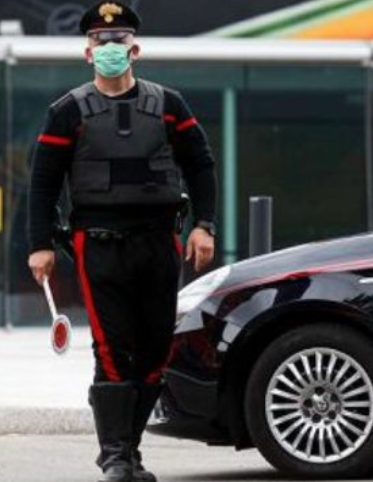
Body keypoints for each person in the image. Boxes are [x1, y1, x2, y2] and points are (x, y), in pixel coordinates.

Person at [26, 2, 217, 481]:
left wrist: (204, 225)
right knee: (112, 347)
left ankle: (129, 452)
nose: (109, 47)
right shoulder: (67, 111)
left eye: (118, 40)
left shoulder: (170, 105)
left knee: (156, 349)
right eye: (99, 40)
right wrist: (39, 244)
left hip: (159, 243)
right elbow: (43, 182)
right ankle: (114, 456)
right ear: (87, 53)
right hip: (99, 245)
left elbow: (201, 165)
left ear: (135, 49)